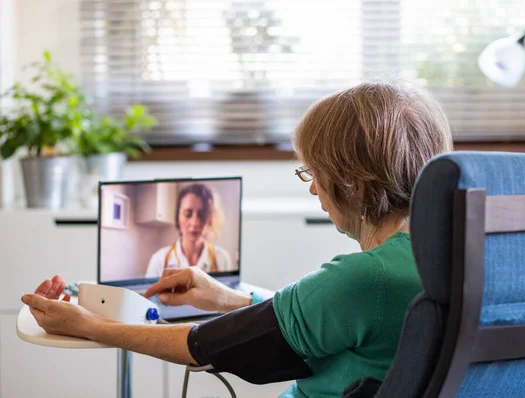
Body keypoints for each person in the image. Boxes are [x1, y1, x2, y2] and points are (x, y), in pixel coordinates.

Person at [22, 80, 454, 398]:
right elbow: (312, 322)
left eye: (315, 175)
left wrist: (96, 326)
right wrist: (225, 298)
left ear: (354, 183)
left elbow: (204, 346)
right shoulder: (443, 256)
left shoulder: (366, 277)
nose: (312, 189)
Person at [145, 183, 234, 278]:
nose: (195, 223)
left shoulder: (222, 259)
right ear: (177, 217)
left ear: (209, 219)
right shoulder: (159, 260)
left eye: (202, 215)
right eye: (188, 214)